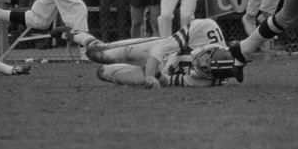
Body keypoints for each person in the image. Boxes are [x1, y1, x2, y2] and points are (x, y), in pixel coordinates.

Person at [72, 17, 239, 88]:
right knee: (98, 55)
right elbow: (161, 49)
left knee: (102, 71)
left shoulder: (209, 82)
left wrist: (157, 75)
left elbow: (171, 81)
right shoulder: (206, 28)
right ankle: (81, 36)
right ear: (212, 49)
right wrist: (151, 73)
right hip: (159, 48)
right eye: (207, 61)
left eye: (206, 70)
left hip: (162, 70)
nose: (201, 65)